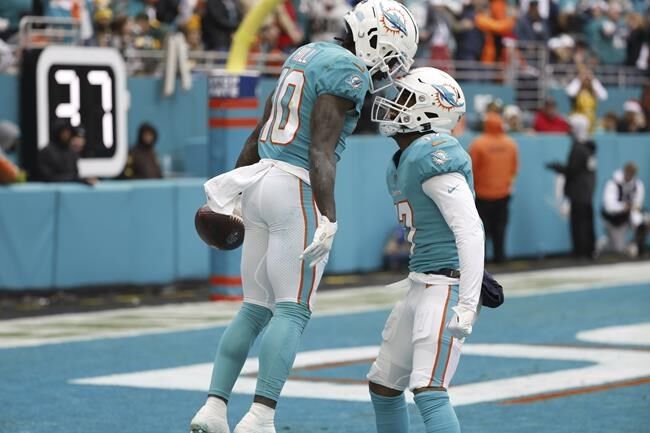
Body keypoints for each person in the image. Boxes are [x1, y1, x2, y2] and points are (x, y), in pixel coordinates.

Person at [189, 2, 418, 433]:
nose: (389, 67)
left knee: (254, 308)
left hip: (260, 179)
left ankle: (214, 409)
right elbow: (320, 152)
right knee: (292, 311)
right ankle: (260, 417)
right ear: (375, 38)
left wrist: (238, 191)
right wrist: (329, 217)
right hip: (294, 187)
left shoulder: (306, 52)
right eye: (390, 54)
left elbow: (261, 129)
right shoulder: (348, 71)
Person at [368, 67, 484, 433]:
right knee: (384, 386)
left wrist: (467, 303)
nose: (392, 104)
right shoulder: (403, 160)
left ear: (430, 109)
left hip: (444, 285)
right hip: (420, 281)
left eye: (404, 98)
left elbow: (470, 229)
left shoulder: (434, 153)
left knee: (429, 389)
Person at [468, 112, 518, 263]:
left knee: (481, 232)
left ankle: (480, 263)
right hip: (503, 194)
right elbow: (514, 169)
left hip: (482, 195)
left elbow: (471, 169)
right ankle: (500, 258)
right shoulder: (510, 145)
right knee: (500, 229)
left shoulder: (478, 144)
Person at [545, 114, 596, 259]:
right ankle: (589, 250)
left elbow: (572, 170)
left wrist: (557, 167)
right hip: (587, 191)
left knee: (578, 223)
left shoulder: (578, 149)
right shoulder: (588, 149)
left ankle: (580, 251)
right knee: (587, 222)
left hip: (579, 192)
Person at [598, 162, 648, 258]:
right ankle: (603, 243)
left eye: (632, 174)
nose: (629, 176)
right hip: (614, 220)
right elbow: (609, 206)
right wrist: (623, 207)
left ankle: (636, 246)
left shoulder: (637, 185)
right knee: (618, 249)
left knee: (645, 222)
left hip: (628, 216)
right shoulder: (613, 183)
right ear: (624, 171)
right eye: (628, 173)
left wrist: (640, 221)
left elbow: (637, 206)